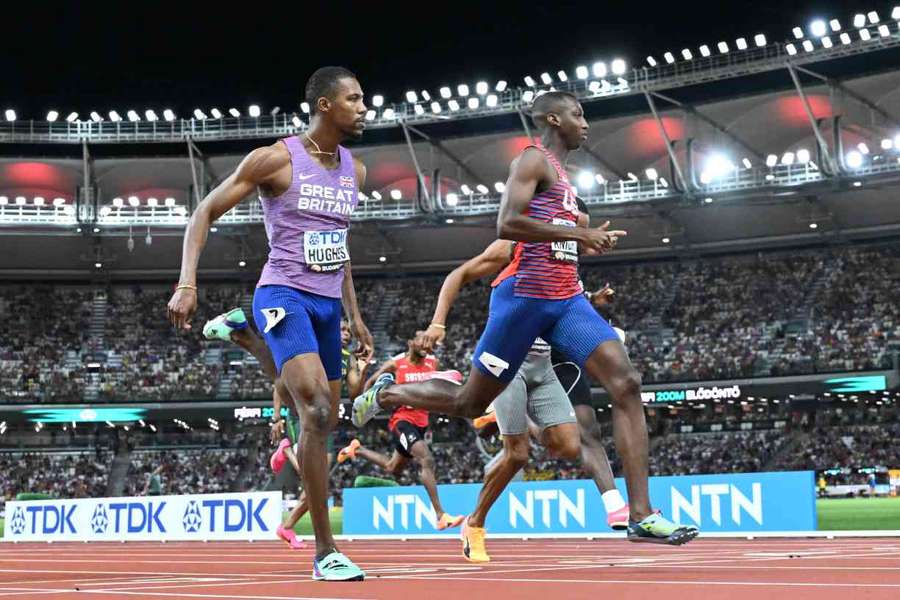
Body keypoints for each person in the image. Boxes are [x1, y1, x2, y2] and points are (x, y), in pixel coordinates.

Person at [354, 91, 697, 546]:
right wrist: (577, 232)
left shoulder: (566, 182)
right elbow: (508, 223)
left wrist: (584, 244)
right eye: (578, 115)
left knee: (627, 382)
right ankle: (389, 392)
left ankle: (641, 514)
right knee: (469, 404)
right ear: (554, 119)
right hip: (523, 301)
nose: (586, 123)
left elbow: (558, 244)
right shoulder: (532, 162)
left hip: (567, 302)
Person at [168, 66, 373, 581]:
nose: (364, 107)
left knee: (323, 421)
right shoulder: (276, 159)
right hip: (283, 293)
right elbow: (203, 213)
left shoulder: (357, 170)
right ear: (325, 105)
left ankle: (242, 335)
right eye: (354, 99)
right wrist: (187, 283)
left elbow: (339, 246)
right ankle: (325, 550)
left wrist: (355, 315)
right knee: (319, 407)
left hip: (328, 305)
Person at [418, 238, 627, 562]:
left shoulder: (566, 267)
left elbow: (556, 305)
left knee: (570, 446)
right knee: (517, 455)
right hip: (508, 362)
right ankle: (475, 525)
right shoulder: (515, 245)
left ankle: (505, 417)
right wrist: (437, 323)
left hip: (544, 367)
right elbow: (458, 275)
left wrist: (592, 302)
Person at [337, 332, 464, 530]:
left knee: (392, 468)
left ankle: (357, 450)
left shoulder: (433, 362)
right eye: (422, 342)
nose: (426, 346)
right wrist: (367, 403)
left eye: (428, 343)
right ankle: (440, 515)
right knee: (426, 459)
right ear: (410, 343)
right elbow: (371, 383)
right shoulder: (396, 363)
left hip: (422, 423)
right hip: (402, 421)